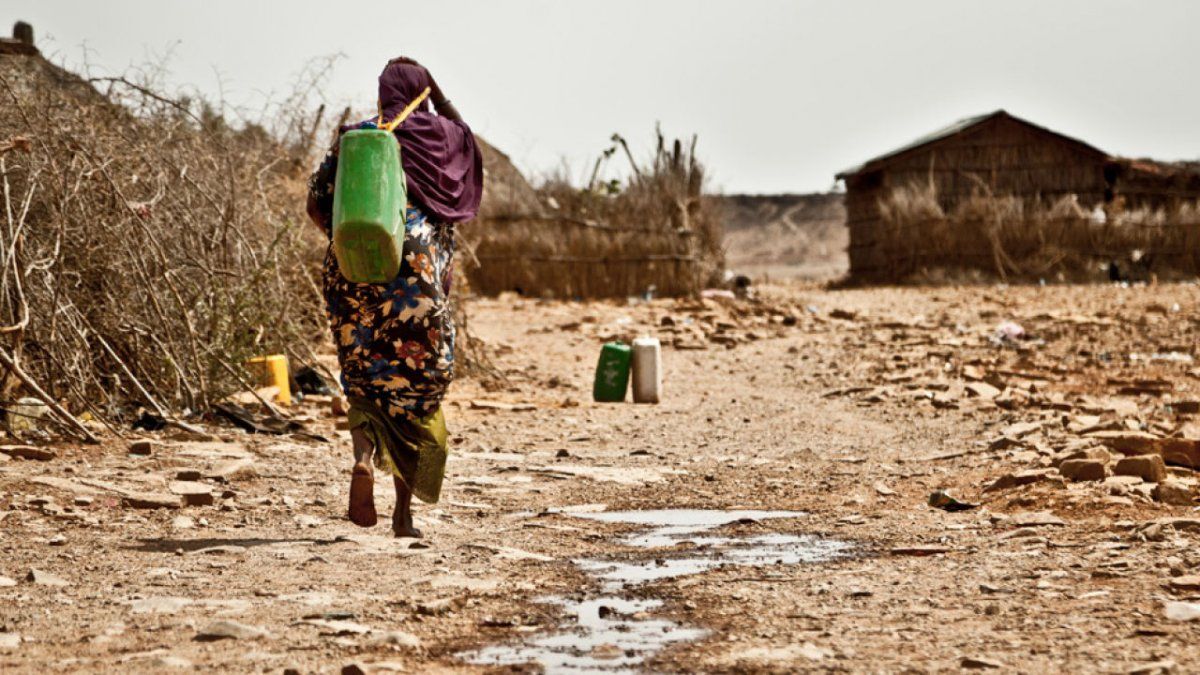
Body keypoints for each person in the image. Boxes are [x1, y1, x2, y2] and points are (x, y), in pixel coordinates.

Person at [306, 57, 482, 537]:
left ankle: (363, 459)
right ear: (423, 93)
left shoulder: (357, 136)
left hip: (351, 273)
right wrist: (438, 93)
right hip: (417, 281)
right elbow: (469, 136)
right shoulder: (442, 138)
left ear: (382, 92)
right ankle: (404, 513)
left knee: (363, 378)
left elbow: (316, 201)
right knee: (419, 391)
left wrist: (346, 247)